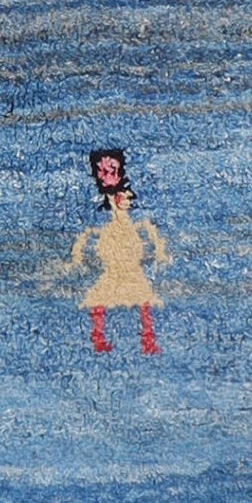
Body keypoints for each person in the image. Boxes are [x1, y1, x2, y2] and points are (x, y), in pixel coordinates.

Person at [68, 148, 169, 355]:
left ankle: (147, 340)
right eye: (101, 171)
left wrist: (159, 249)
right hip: (114, 250)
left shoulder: (125, 195)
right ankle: (99, 339)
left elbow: (145, 225)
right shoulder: (102, 202)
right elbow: (89, 232)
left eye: (110, 170)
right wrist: (77, 255)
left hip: (127, 248)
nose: (105, 175)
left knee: (141, 296)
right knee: (101, 295)